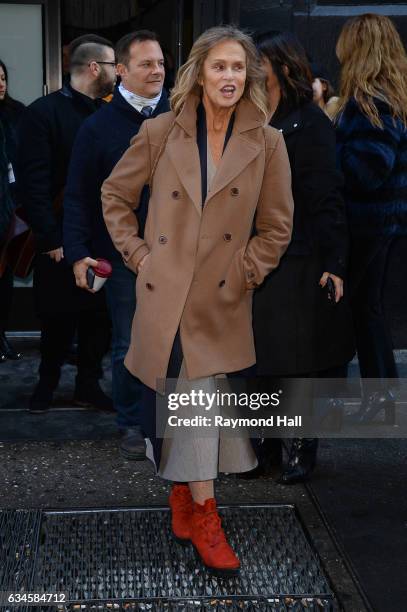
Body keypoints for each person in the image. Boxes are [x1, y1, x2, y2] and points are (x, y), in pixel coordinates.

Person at [102, 26, 293, 576]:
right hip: (168, 295)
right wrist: (141, 256)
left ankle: (191, 501)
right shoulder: (160, 132)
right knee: (194, 401)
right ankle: (203, 508)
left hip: (221, 298)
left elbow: (277, 227)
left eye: (238, 68)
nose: (229, 77)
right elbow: (114, 195)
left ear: (249, 76)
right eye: (219, 67)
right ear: (200, 73)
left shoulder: (269, 142)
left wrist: (246, 272)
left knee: (195, 402)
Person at [252, 31, 354, 484]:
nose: (249, 69)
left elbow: (326, 198)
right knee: (263, 359)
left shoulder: (310, 124)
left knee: (298, 360)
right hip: (259, 255)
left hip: (302, 256)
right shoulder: (250, 117)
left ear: (284, 68)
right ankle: (266, 443)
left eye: (258, 62)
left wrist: (334, 262)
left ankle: (298, 447)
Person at [63, 30, 170, 460]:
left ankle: (170, 422)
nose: (157, 71)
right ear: (121, 70)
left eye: (161, 63)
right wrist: (77, 253)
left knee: (180, 341)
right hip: (124, 256)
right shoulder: (98, 127)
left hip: (179, 253)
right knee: (129, 341)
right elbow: (78, 194)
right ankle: (131, 422)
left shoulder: (185, 116)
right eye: (146, 64)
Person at [16, 35, 117, 413]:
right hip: (59, 237)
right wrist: (51, 238)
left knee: (98, 319)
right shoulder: (43, 113)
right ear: (94, 68)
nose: (117, 73)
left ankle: (88, 386)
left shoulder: (109, 113)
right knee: (57, 318)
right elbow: (33, 184)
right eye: (112, 66)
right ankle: (46, 383)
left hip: (103, 236)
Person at [335, 14, 407, 424]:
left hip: (368, 224)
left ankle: (383, 401)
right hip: (385, 222)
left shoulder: (370, 100)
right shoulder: (391, 95)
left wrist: (329, 143)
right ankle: (383, 399)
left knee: (363, 310)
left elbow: (367, 170)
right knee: (368, 310)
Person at [0, 59, 25, 362]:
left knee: (4, 280)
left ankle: (2, 334)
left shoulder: (18, 114)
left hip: (9, 210)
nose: (1, 83)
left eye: (3, 77)